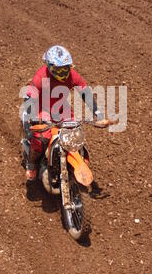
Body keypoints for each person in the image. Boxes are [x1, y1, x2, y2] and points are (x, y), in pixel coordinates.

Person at [22, 45, 109, 181]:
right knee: (42, 138)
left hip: (61, 107)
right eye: (58, 70)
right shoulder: (41, 76)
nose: (62, 74)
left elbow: (85, 93)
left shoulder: (73, 75)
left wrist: (97, 113)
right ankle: (32, 164)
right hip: (42, 109)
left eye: (65, 69)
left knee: (74, 134)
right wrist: (30, 116)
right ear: (49, 66)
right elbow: (29, 97)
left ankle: (76, 160)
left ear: (70, 67)